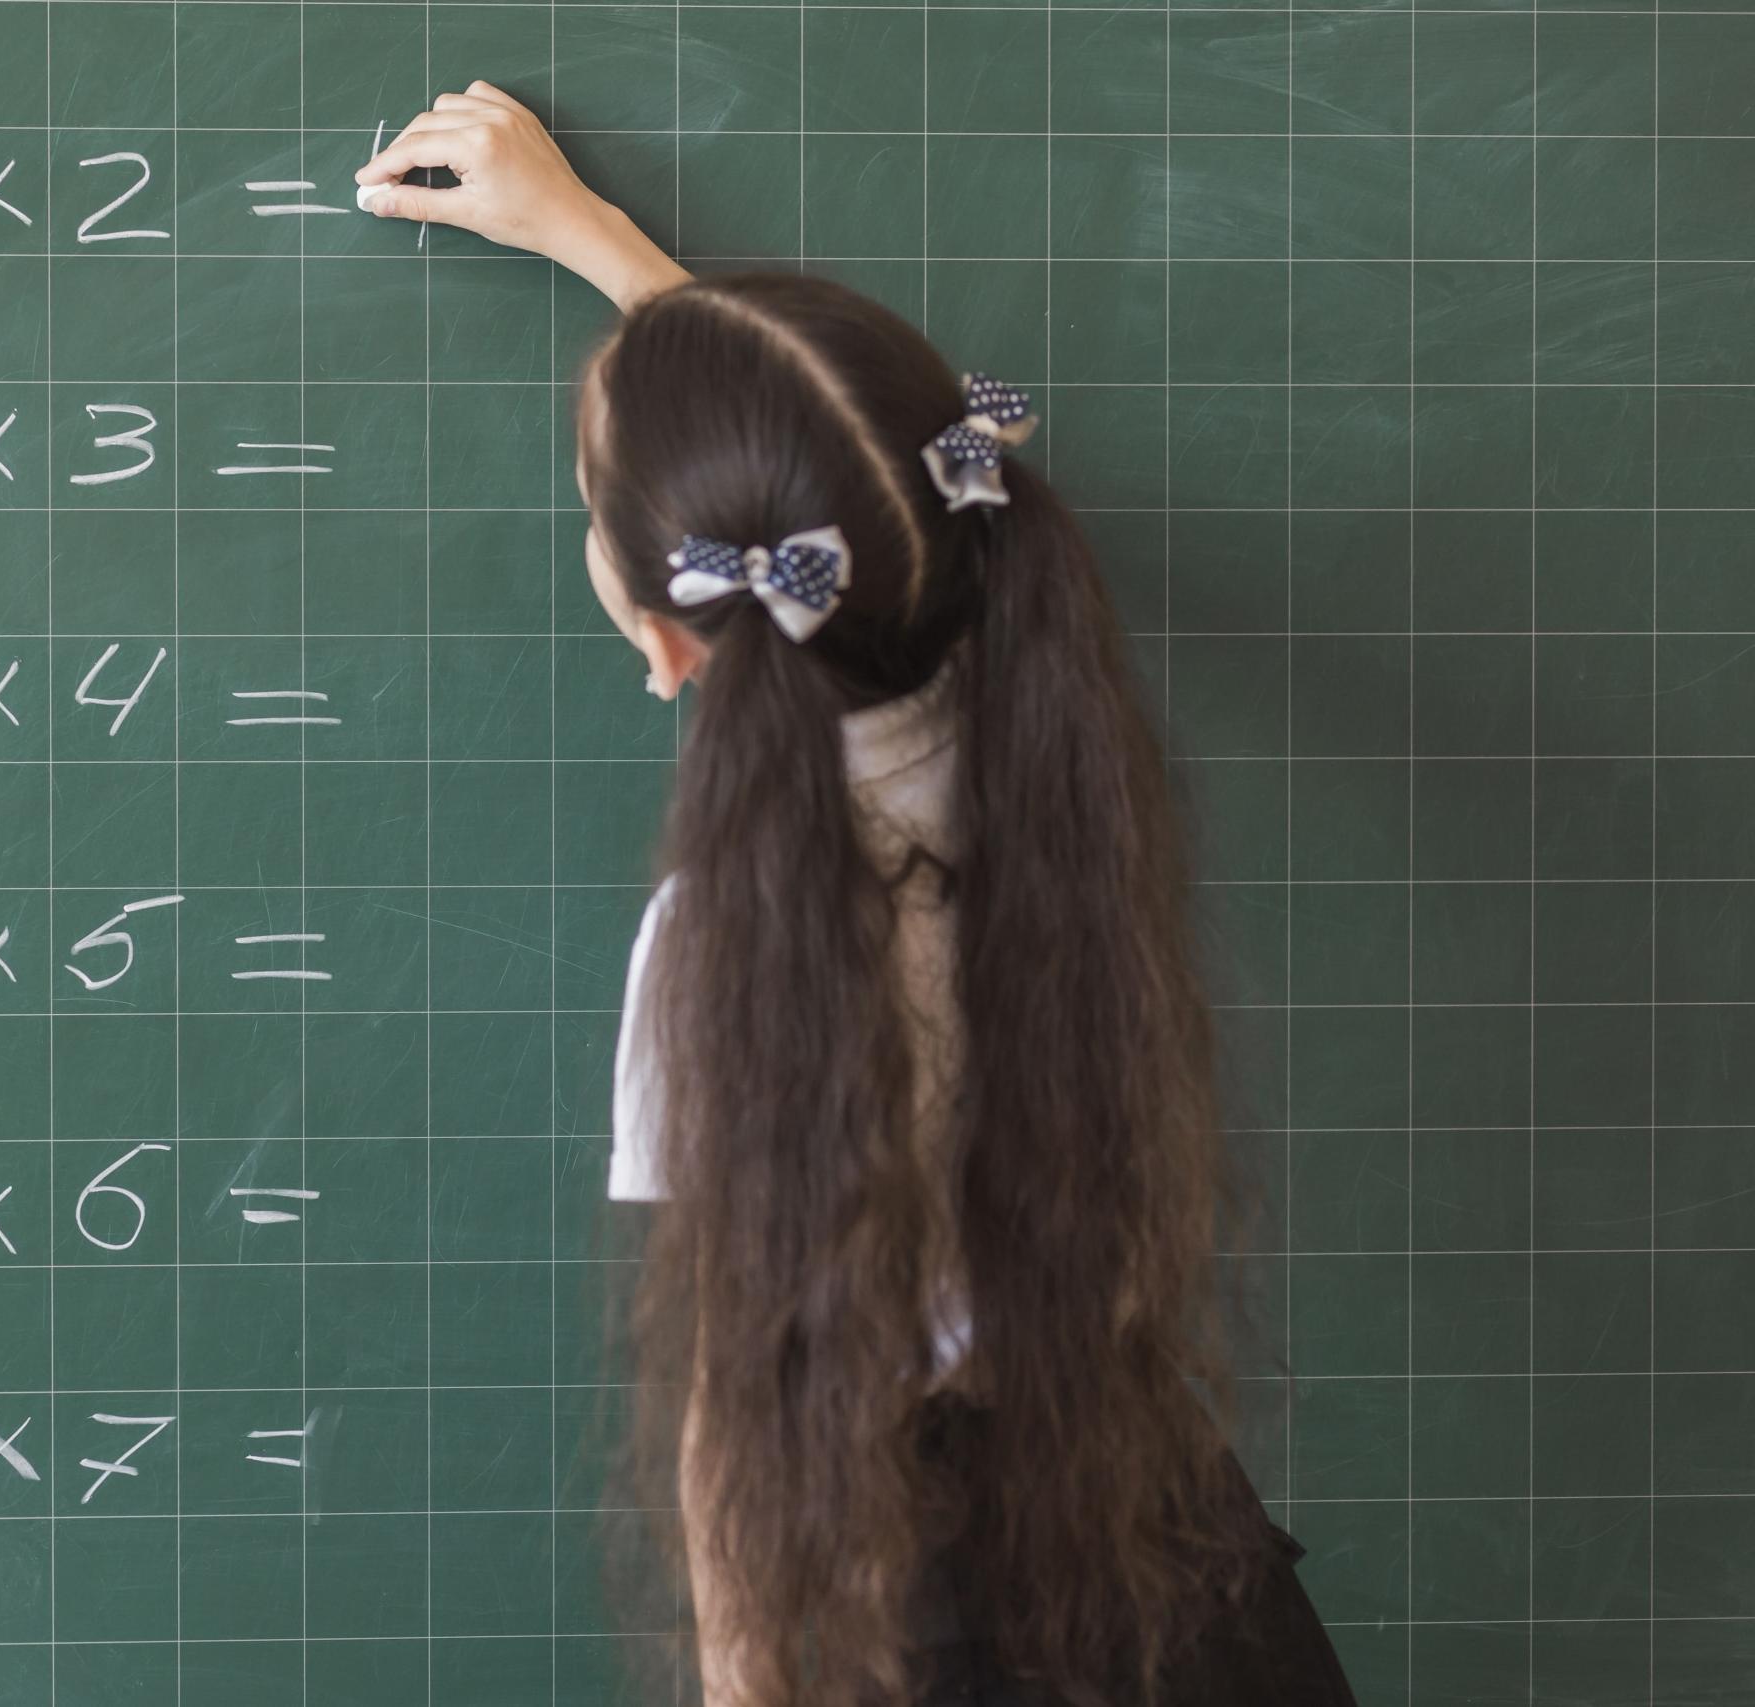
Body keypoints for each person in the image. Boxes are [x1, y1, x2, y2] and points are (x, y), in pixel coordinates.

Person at [357, 86, 1361, 1707]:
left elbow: (729, 1415)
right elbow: (864, 480)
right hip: (1187, 1573)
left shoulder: (723, 942)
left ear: (671, 642)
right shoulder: (1037, 731)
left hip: (960, 1634)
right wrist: (600, 247)